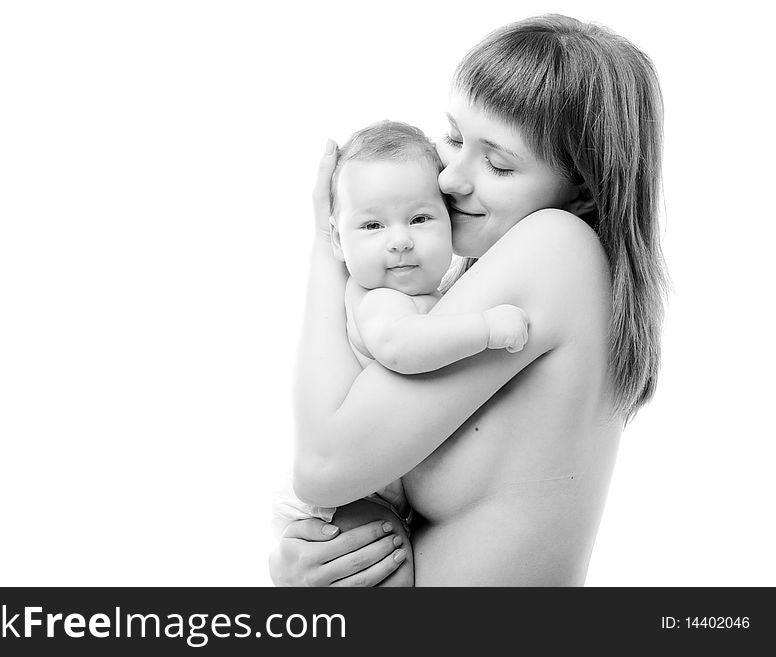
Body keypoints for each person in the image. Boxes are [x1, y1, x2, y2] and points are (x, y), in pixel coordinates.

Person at [270, 14, 665, 586]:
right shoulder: (470, 282)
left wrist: (328, 246)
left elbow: (323, 466)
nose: (451, 178)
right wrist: (315, 560)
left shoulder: (556, 246)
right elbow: (337, 471)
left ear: (582, 187)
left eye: (498, 163)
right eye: (453, 137)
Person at [272, 120, 529, 586]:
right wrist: (486, 329)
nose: (400, 239)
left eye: (420, 218)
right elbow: (401, 347)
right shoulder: (381, 300)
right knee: (381, 559)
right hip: (360, 497)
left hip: (384, 479)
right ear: (336, 238)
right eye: (372, 225)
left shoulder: (441, 292)